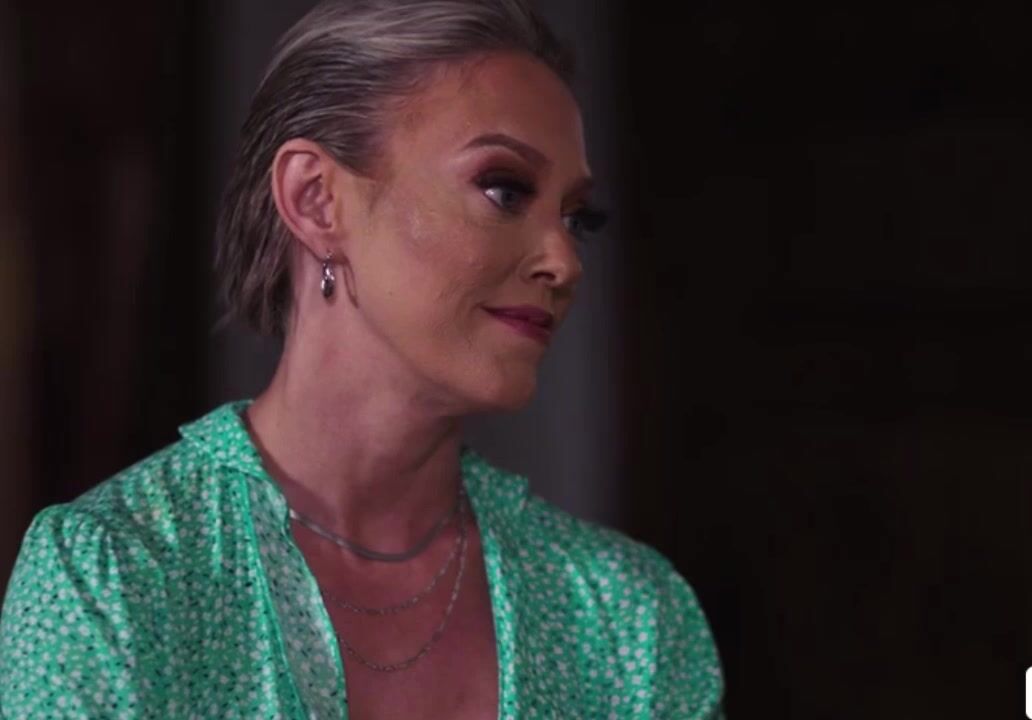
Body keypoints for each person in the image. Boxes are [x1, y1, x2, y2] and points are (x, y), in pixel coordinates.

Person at [0, 1, 724, 717]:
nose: (564, 262)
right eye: (504, 189)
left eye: (576, 218)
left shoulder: (627, 619)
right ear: (316, 199)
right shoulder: (116, 574)